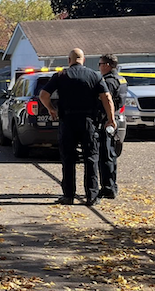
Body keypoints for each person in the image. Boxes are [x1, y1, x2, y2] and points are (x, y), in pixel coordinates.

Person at [39, 48, 116, 207]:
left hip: (67, 121)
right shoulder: (95, 76)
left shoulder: (61, 75)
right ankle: (92, 196)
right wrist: (111, 119)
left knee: (68, 159)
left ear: (69, 60)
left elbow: (43, 95)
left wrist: (51, 109)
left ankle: (68, 195)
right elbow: (107, 98)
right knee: (91, 158)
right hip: (88, 122)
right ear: (84, 60)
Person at [97, 53, 128, 200]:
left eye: (100, 64)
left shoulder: (108, 81)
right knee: (111, 154)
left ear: (107, 65)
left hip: (107, 120)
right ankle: (111, 186)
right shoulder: (120, 79)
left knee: (106, 155)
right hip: (115, 118)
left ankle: (108, 188)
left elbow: (106, 101)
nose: (99, 67)